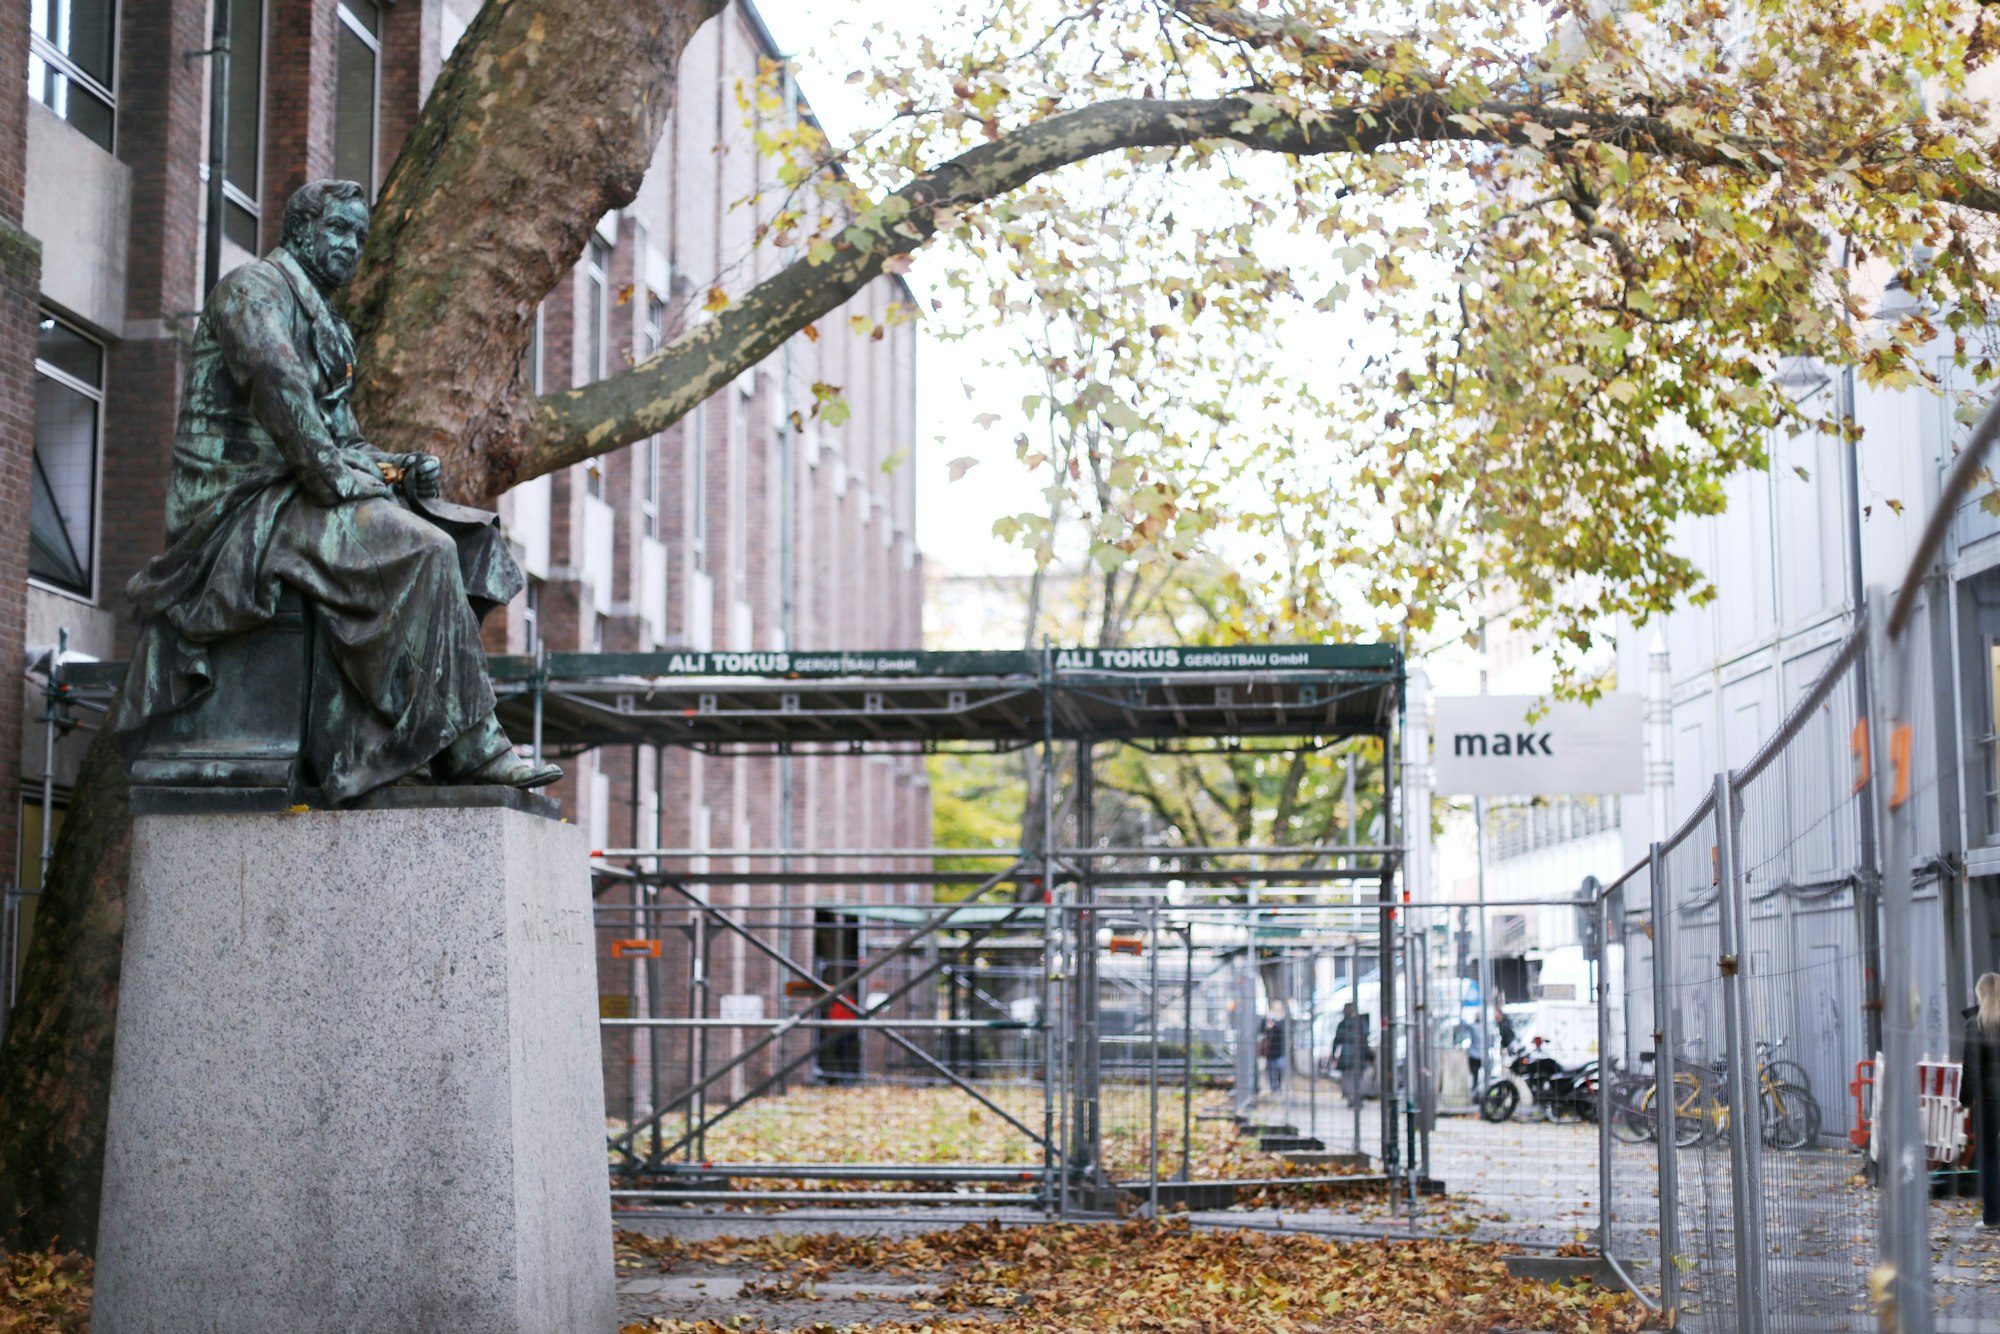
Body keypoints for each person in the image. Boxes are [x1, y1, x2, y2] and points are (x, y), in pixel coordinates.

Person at [110, 179, 559, 800]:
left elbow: (341, 438)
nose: (352, 246)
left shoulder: (327, 323)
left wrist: (399, 469)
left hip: (297, 489)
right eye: (340, 231)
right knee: (423, 551)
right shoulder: (251, 291)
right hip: (238, 509)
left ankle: (415, 738)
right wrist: (343, 480)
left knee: (465, 538)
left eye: (359, 235)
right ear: (302, 231)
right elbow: (280, 395)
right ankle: (468, 744)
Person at [1965, 972, 2000, 1230]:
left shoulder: (1975, 1024)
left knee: (1987, 1157)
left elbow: (1971, 1068)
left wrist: (1964, 1099)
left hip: (1988, 1102)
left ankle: (1993, 1216)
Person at [1330, 1002, 1372, 1107]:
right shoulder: (1360, 1023)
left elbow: (1336, 1041)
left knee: (1347, 1078)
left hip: (1345, 1055)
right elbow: (1365, 1038)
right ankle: (1357, 1099)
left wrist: (1333, 1054)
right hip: (1358, 1054)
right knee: (1358, 1078)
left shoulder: (1342, 1024)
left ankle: (1351, 1099)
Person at [1259, 1002, 1288, 1097]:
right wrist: (1267, 1027)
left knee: (1280, 1068)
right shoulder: (1267, 1018)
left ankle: (1278, 1086)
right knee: (1271, 1069)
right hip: (1270, 1049)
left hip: (1280, 1048)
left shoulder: (1283, 1019)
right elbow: (1261, 1030)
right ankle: (1273, 1088)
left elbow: (1284, 1030)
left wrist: (1274, 1026)